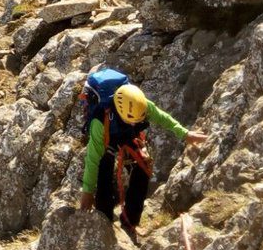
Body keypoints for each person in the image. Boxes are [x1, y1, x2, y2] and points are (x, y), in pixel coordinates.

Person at [77, 82, 209, 241]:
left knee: (143, 166)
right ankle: (103, 221)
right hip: (107, 138)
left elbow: (162, 117)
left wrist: (185, 134)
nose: (134, 123)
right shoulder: (100, 120)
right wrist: (87, 192)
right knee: (103, 173)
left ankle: (130, 221)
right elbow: (92, 160)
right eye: (131, 120)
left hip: (127, 134)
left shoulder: (141, 107)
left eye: (136, 121)